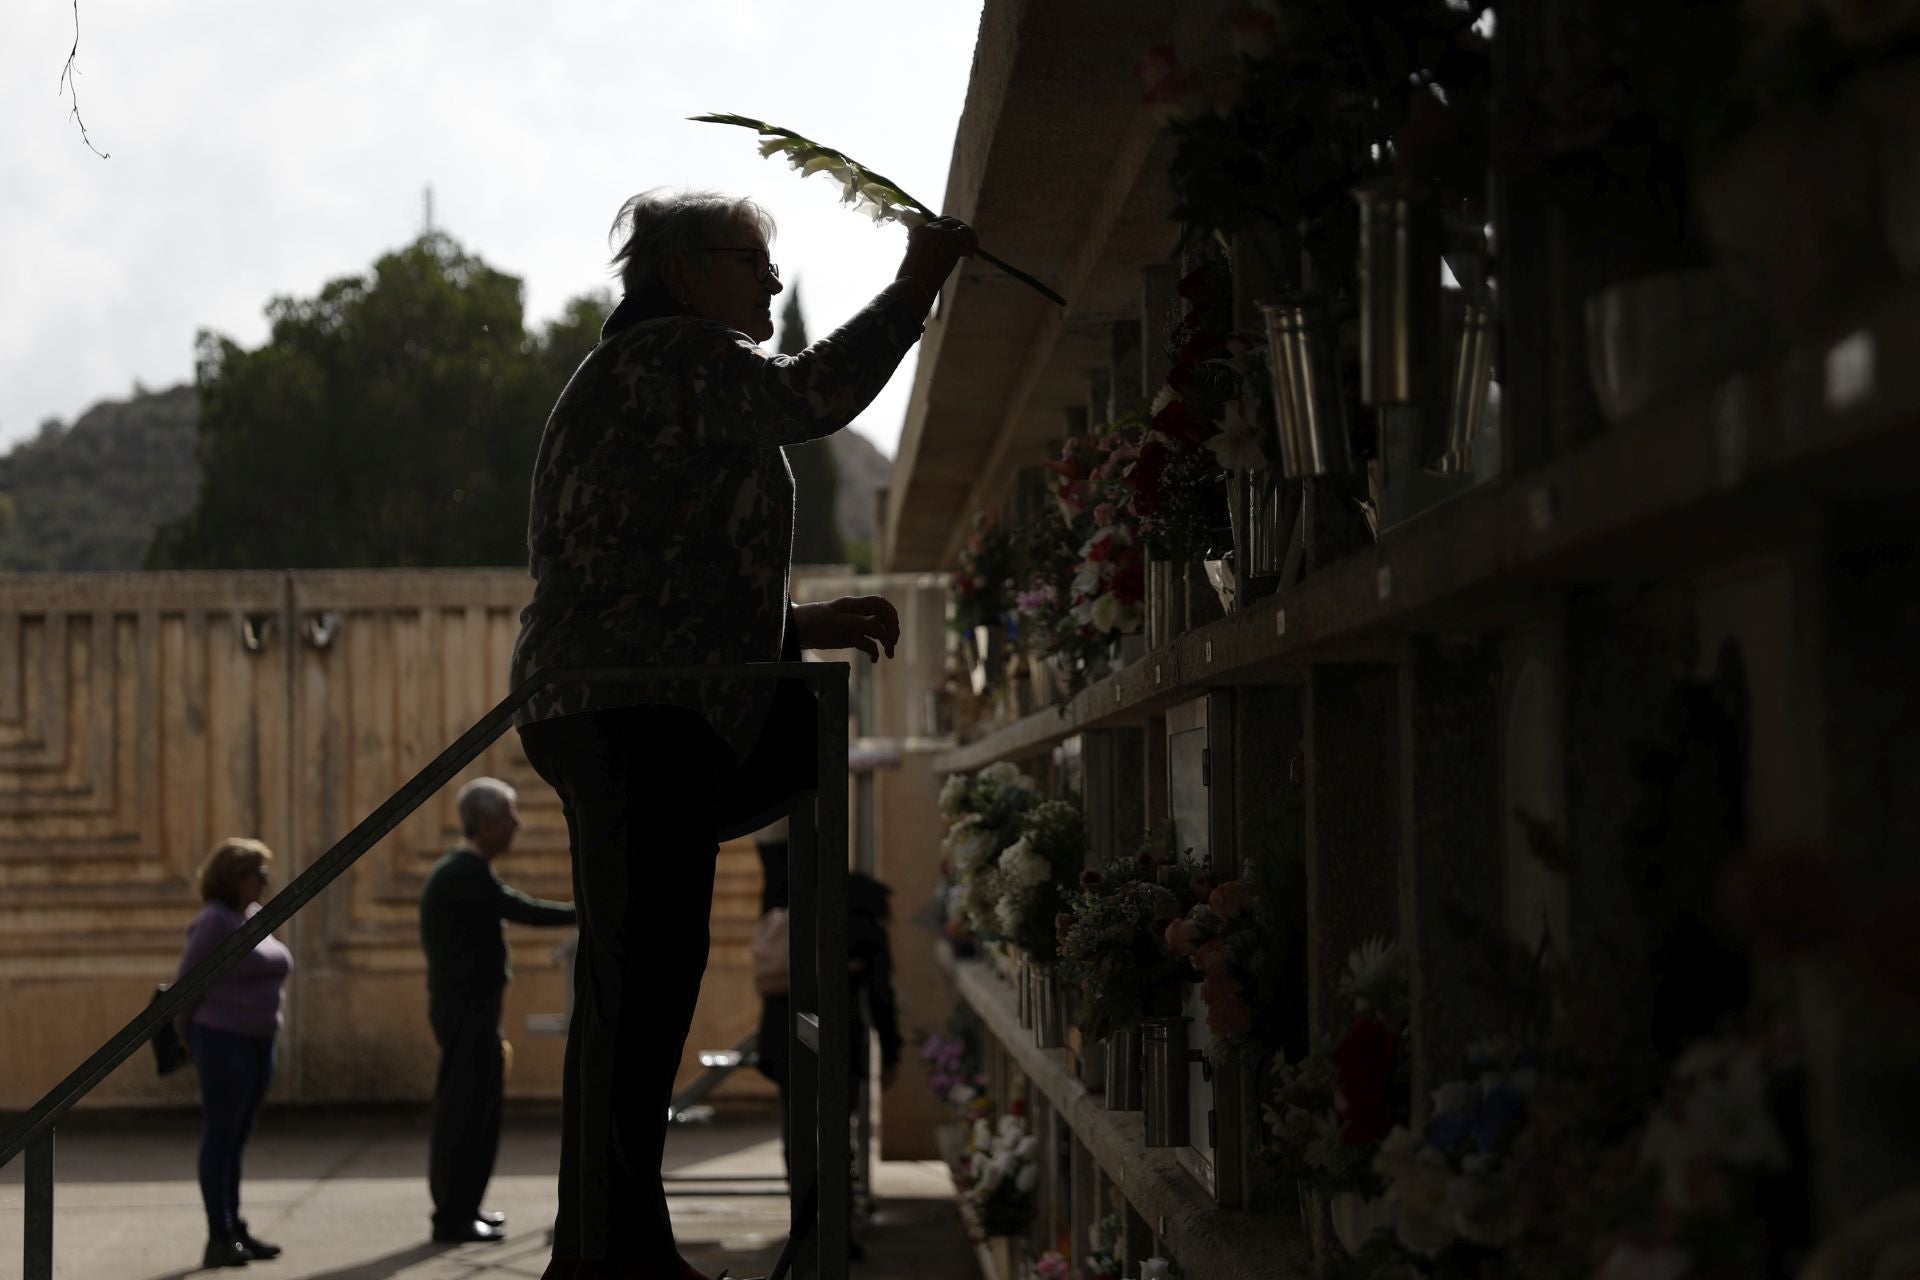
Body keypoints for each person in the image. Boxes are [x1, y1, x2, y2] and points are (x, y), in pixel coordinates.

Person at [511, 188, 974, 1280]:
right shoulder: (670, 353)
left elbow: (663, 569)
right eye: (750, 263)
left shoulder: (655, 372)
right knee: (639, 988)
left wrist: (796, 624)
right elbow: (814, 394)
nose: (771, 284)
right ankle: (611, 1257)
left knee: (640, 983)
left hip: (638, 696)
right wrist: (916, 284)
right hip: (631, 708)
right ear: (681, 273)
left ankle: (607, 1249)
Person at [419, 776, 577, 1245]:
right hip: (468, 1011)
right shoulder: (464, 874)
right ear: (486, 823)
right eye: (510, 815)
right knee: (468, 1115)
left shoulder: (464, 871)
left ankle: (462, 1207)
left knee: (470, 1111)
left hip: (468, 1010)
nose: (518, 825)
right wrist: (589, 908)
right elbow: (524, 910)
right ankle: (453, 1215)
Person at [172, 837, 293, 1270]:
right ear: (235, 877)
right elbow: (186, 986)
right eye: (258, 873)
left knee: (237, 1138)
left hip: (259, 1041)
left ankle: (235, 1226)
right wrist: (188, 1038)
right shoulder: (214, 922)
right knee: (220, 1137)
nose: (265, 882)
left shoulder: (253, 917)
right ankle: (217, 1234)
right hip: (223, 1041)